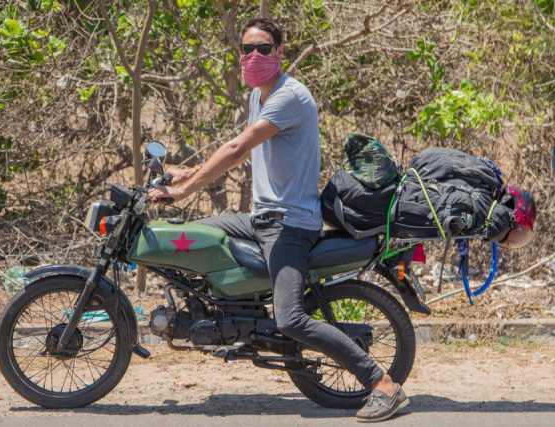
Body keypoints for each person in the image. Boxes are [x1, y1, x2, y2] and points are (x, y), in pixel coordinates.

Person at [148, 16, 408, 422]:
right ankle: (231, 319)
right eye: (247, 49)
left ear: (279, 53)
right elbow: (239, 145)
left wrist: (186, 189)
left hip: (290, 224)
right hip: (261, 218)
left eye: (263, 48)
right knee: (194, 237)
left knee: (291, 319)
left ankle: (382, 384)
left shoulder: (290, 96)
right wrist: (187, 171)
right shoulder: (259, 95)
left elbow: (237, 148)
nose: (254, 56)